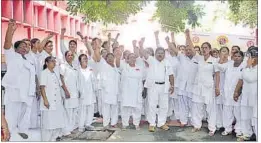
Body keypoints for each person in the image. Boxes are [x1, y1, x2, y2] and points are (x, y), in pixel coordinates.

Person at [2, 19, 36, 139]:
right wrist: (10, 29)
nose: (24, 48)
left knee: (25, 114)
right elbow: (7, 43)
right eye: (21, 46)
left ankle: (22, 130)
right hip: (15, 91)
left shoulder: (28, 60)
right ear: (15, 48)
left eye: (26, 46)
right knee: (12, 115)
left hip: (27, 92)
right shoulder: (12, 56)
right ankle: (7, 133)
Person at [140, 31, 174, 132]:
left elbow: (171, 75)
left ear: (164, 54)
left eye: (162, 53)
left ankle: (161, 123)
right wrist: (141, 44)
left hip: (164, 87)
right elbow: (143, 53)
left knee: (164, 106)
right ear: (155, 54)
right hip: (153, 87)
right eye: (158, 53)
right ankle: (152, 123)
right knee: (152, 105)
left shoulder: (167, 62)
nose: (160, 54)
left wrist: (172, 85)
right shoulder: (151, 60)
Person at [191, 40, 220, 136]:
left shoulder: (215, 60)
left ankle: (212, 128)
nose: (204, 49)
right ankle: (197, 125)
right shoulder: (199, 58)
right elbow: (191, 48)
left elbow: (217, 74)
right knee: (197, 106)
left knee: (210, 108)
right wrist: (187, 35)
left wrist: (217, 88)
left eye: (206, 48)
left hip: (209, 87)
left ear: (210, 49)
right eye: (202, 48)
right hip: (198, 86)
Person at [217, 51, 245, 137]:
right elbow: (220, 67)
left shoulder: (244, 66)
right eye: (235, 56)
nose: (236, 58)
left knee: (238, 112)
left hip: (238, 93)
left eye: (239, 56)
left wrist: (238, 92)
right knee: (227, 111)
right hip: (227, 93)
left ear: (242, 58)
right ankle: (227, 129)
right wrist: (223, 57)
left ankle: (238, 130)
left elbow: (243, 80)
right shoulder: (229, 64)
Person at [93, 38, 119, 129]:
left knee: (114, 108)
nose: (111, 59)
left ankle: (113, 122)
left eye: (112, 58)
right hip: (106, 92)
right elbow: (97, 55)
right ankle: (106, 123)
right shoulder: (103, 65)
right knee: (106, 108)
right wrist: (97, 46)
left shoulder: (115, 67)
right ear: (106, 59)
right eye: (109, 58)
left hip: (114, 92)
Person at [39, 56, 66, 141]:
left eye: (54, 61)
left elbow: (59, 85)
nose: (54, 62)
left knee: (57, 122)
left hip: (57, 102)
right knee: (48, 123)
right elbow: (42, 87)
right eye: (51, 61)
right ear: (46, 63)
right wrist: (45, 100)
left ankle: (54, 139)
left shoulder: (55, 72)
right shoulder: (44, 72)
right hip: (49, 101)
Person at [234, 46, 258, 141]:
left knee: (256, 117)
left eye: (249, 56)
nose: (247, 58)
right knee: (245, 115)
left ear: (254, 57)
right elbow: (240, 79)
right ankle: (247, 134)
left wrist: (246, 68)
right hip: (245, 96)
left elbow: (250, 78)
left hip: (255, 98)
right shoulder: (246, 67)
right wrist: (236, 91)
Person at [116, 52, 143, 130]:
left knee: (137, 108)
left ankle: (136, 124)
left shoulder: (139, 68)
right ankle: (125, 124)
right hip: (126, 92)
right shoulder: (124, 67)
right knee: (125, 108)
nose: (132, 59)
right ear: (127, 59)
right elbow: (117, 65)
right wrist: (118, 56)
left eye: (134, 57)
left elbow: (141, 80)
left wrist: (141, 90)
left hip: (136, 91)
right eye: (131, 57)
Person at [60, 51, 79, 135]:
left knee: (74, 111)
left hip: (75, 93)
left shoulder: (74, 67)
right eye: (68, 55)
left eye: (72, 55)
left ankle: (71, 128)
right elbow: (61, 79)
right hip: (67, 92)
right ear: (65, 56)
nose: (70, 56)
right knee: (68, 111)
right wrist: (66, 91)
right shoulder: (63, 66)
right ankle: (66, 130)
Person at [77, 54, 97, 132]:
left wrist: (95, 90)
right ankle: (81, 125)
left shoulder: (90, 69)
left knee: (90, 109)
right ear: (80, 61)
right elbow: (77, 82)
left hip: (90, 92)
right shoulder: (78, 70)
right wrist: (78, 91)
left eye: (86, 58)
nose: (85, 60)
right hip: (82, 93)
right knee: (82, 110)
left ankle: (88, 124)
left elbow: (94, 80)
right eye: (83, 59)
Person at [164, 33, 180, 122]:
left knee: (176, 100)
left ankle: (177, 117)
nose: (170, 50)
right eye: (169, 48)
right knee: (168, 100)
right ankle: (168, 115)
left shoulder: (179, 58)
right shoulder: (166, 58)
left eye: (172, 48)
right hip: (168, 82)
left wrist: (171, 39)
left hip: (178, 82)